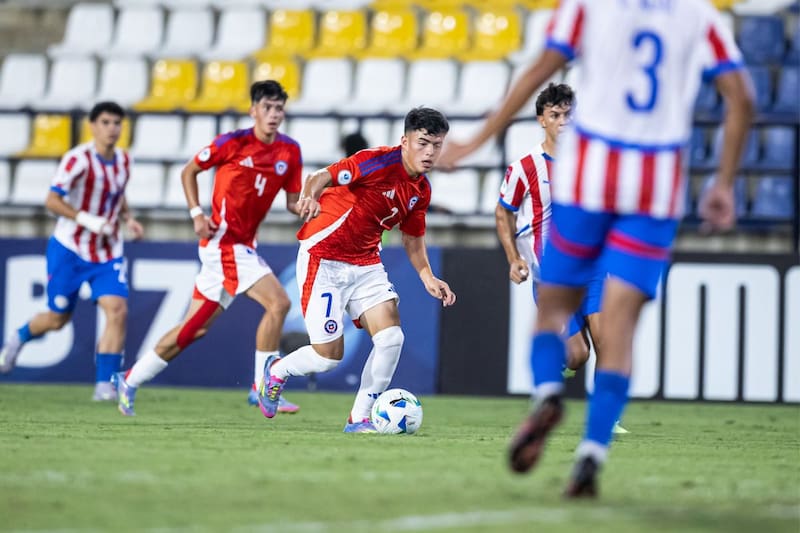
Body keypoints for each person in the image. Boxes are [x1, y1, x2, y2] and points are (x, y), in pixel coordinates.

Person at [439, 0, 753, 497]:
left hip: (592, 177)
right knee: (620, 335)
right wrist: (724, 182)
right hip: (656, 187)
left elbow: (540, 67)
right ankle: (591, 455)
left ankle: (547, 394)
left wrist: (477, 139)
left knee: (550, 312)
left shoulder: (589, 6)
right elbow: (742, 97)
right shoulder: (698, 13)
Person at [255, 107, 457, 432]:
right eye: (423, 143)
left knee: (391, 338)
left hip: (365, 263)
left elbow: (412, 237)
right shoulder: (375, 162)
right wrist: (309, 197)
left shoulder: (421, 189)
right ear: (405, 141)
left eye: (437, 145)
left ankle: (359, 417)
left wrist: (427, 276)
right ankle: (277, 371)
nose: (430, 152)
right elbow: (319, 177)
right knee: (328, 357)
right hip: (323, 258)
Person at [112, 80, 303, 416]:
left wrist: (316, 206)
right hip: (224, 243)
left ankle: (130, 378)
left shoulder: (290, 151)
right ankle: (261, 386)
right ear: (253, 110)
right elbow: (189, 171)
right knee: (279, 302)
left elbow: (292, 203)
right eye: (267, 107)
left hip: (242, 246)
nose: (274, 114)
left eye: (279, 108)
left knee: (194, 329)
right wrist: (196, 214)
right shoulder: (232, 143)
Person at [496, 83, 627, 434]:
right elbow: (503, 211)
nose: (563, 121)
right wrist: (513, 258)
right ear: (542, 120)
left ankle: (607, 419)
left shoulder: (593, 163)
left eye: (569, 114)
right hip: (551, 275)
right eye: (555, 115)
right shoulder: (525, 167)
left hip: (593, 269)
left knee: (606, 340)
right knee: (579, 355)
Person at [0, 101, 144, 401]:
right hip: (71, 249)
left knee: (117, 310)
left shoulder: (124, 161)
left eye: (117, 123)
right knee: (58, 319)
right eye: (105, 122)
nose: (112, 129)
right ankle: (18, 338)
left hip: (107, 252)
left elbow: (117, 193)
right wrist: (87, 219)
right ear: (92, 126)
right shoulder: (78, 159)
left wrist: (128, 218)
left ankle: (104, 387)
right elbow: (52, 200)